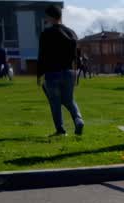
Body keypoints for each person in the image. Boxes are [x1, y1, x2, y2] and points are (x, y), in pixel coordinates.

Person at [37, 5, 83, 136]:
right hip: (69, 72)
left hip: (52, 73)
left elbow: (42, 55)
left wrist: (39, 75)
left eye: (46, 16)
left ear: (50, 17)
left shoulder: (46, 34)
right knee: (69, 99)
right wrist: (76, 73)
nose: (45, 18)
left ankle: (60, 130)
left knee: (55, 102)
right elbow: (76, 55)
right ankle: (78, 119)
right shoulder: (71, 33)